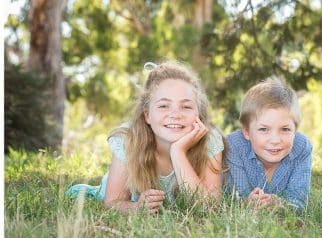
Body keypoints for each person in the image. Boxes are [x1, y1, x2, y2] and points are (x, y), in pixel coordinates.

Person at [67, 61, 224, 214]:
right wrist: (136, 208)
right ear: (147, 115)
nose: (176, 114)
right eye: (163, 106)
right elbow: (113, 202)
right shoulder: (130, 139)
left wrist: (178, 152)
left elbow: (209, 208)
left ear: (199, 115)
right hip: (127, 194)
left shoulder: (210, 141)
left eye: (186, 106)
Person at [225, 76, 312, 211]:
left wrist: (280, 204)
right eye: (263, 129)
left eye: (285, 129)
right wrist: (247, 202)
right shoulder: (235, 145)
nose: (275, 140)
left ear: (295, 130)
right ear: (247, 132)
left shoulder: (302, 147)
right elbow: (234, 198)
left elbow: (299, 200)